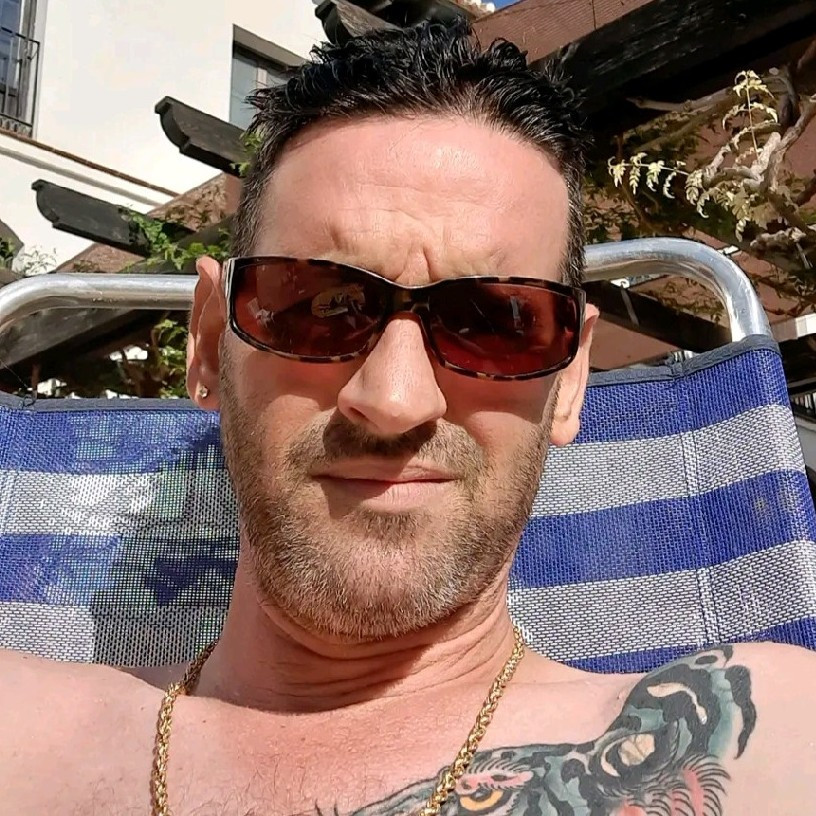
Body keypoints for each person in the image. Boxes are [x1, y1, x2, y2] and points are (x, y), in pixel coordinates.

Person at [2, 20, 815, 816]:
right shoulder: (21, 727)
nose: (395, 402)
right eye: (323, 304)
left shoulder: (756, 732)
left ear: (570, 381)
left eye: (495, 321)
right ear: (213, 343)